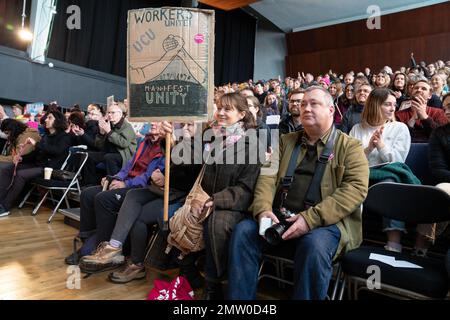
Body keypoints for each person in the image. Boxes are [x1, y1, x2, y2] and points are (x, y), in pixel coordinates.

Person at [227, 86, 369, 300]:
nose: (306, 108)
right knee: (243, 232)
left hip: (326, 224)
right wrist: (263, 210)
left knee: (314, 245)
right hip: (280, 216)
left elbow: (355, 189)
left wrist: (309, 219)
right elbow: (267, 177)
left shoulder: (350, 147)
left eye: (314, 104)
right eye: (303, 104)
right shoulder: (285, 141)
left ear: (331, 110)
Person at [69, 122, 165, 267]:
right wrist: (116, 178)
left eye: (158, 121)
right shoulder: (144, 142)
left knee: (104, 199)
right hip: (127, 181)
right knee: (87, 194)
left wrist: (126, 184)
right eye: (152, 119)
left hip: (140, 188)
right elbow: (128, 165)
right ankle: (88, 241)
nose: (152, 122)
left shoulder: (166, 147)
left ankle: (102, 248)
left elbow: (149, 177)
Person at [349, 88, 411, 253]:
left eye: (394, 104)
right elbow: (351, 160)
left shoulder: (400, 128)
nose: (393, 108)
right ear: (375, 105)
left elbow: (398, 162)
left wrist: (381, 146)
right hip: (361, 174)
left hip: (387, 174)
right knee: (348, 184)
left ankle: (394, 243)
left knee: (389, 184)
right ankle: (349, 240)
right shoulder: (357, 129)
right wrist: (369, 148)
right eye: (388, 104)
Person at [0, 110, 71, 216]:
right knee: (7, 169)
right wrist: (22, 158)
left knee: (20, 175)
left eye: (50, 117)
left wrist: (36, 144)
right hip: (39, 165)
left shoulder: (65, 137)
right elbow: (36, 154)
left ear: (58, 120)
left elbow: (56, 151)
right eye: (47, 117)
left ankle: (5, 206)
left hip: (50, 168)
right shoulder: (46, 137)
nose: (46, 119)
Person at [93, 101, 137, 175]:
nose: (110, 115)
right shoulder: (109, 124)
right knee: (87, 156)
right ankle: (90, 182)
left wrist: (109, 132)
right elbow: (98, 146)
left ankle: (114, 181)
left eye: (113, 113)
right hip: (109, 152)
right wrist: (101, 133)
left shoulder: (127, 126)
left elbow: (123, 143)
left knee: (109, 158)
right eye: (109, 112)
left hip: (123, 155)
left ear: (120, 114)